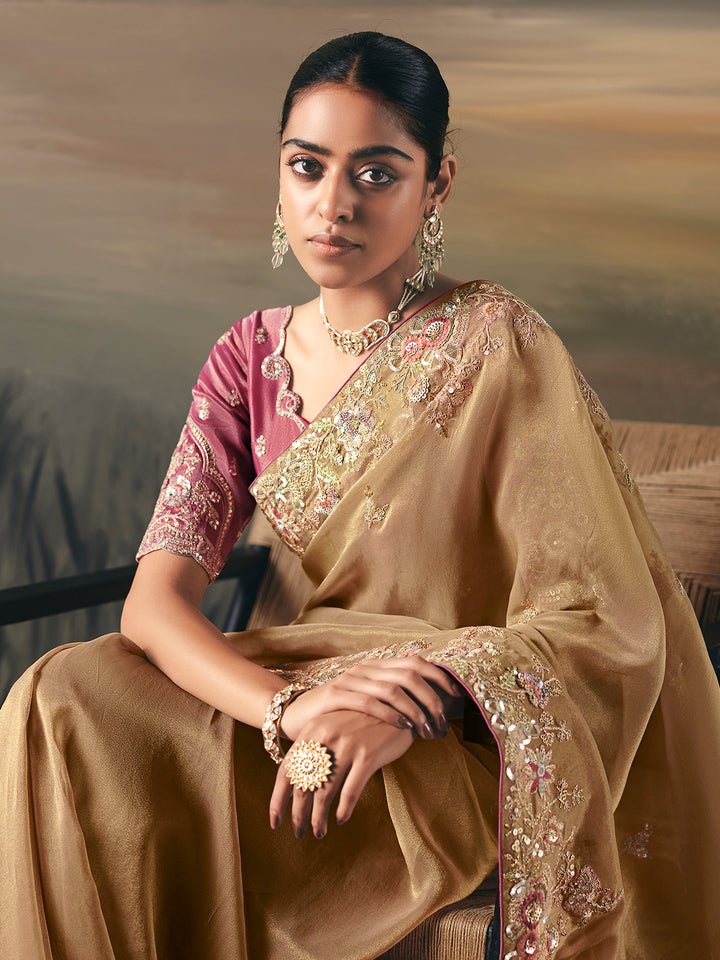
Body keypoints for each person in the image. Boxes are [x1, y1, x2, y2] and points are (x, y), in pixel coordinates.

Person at [1, 30, 719, 960]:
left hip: (431, 730)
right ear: (281, 174)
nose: (333, 205)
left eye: (376, 174)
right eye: (308, 167)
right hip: (287, 694)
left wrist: (422, 692)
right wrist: (288, 711)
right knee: (58, 694)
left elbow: (603, 620)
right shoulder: (246, 360)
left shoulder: (498, 345)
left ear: (438, 185)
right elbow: (154, 602)